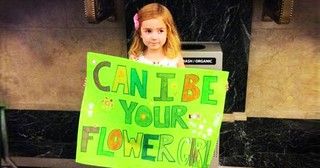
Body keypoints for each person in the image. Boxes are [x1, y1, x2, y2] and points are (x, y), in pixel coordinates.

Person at [128, 3, 185, 68]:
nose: (154, 37)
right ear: (140, 33)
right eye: (148, 31)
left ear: (168, 32)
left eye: (160, 31)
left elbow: (183, 77)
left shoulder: (175, 58)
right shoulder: (135, 59)